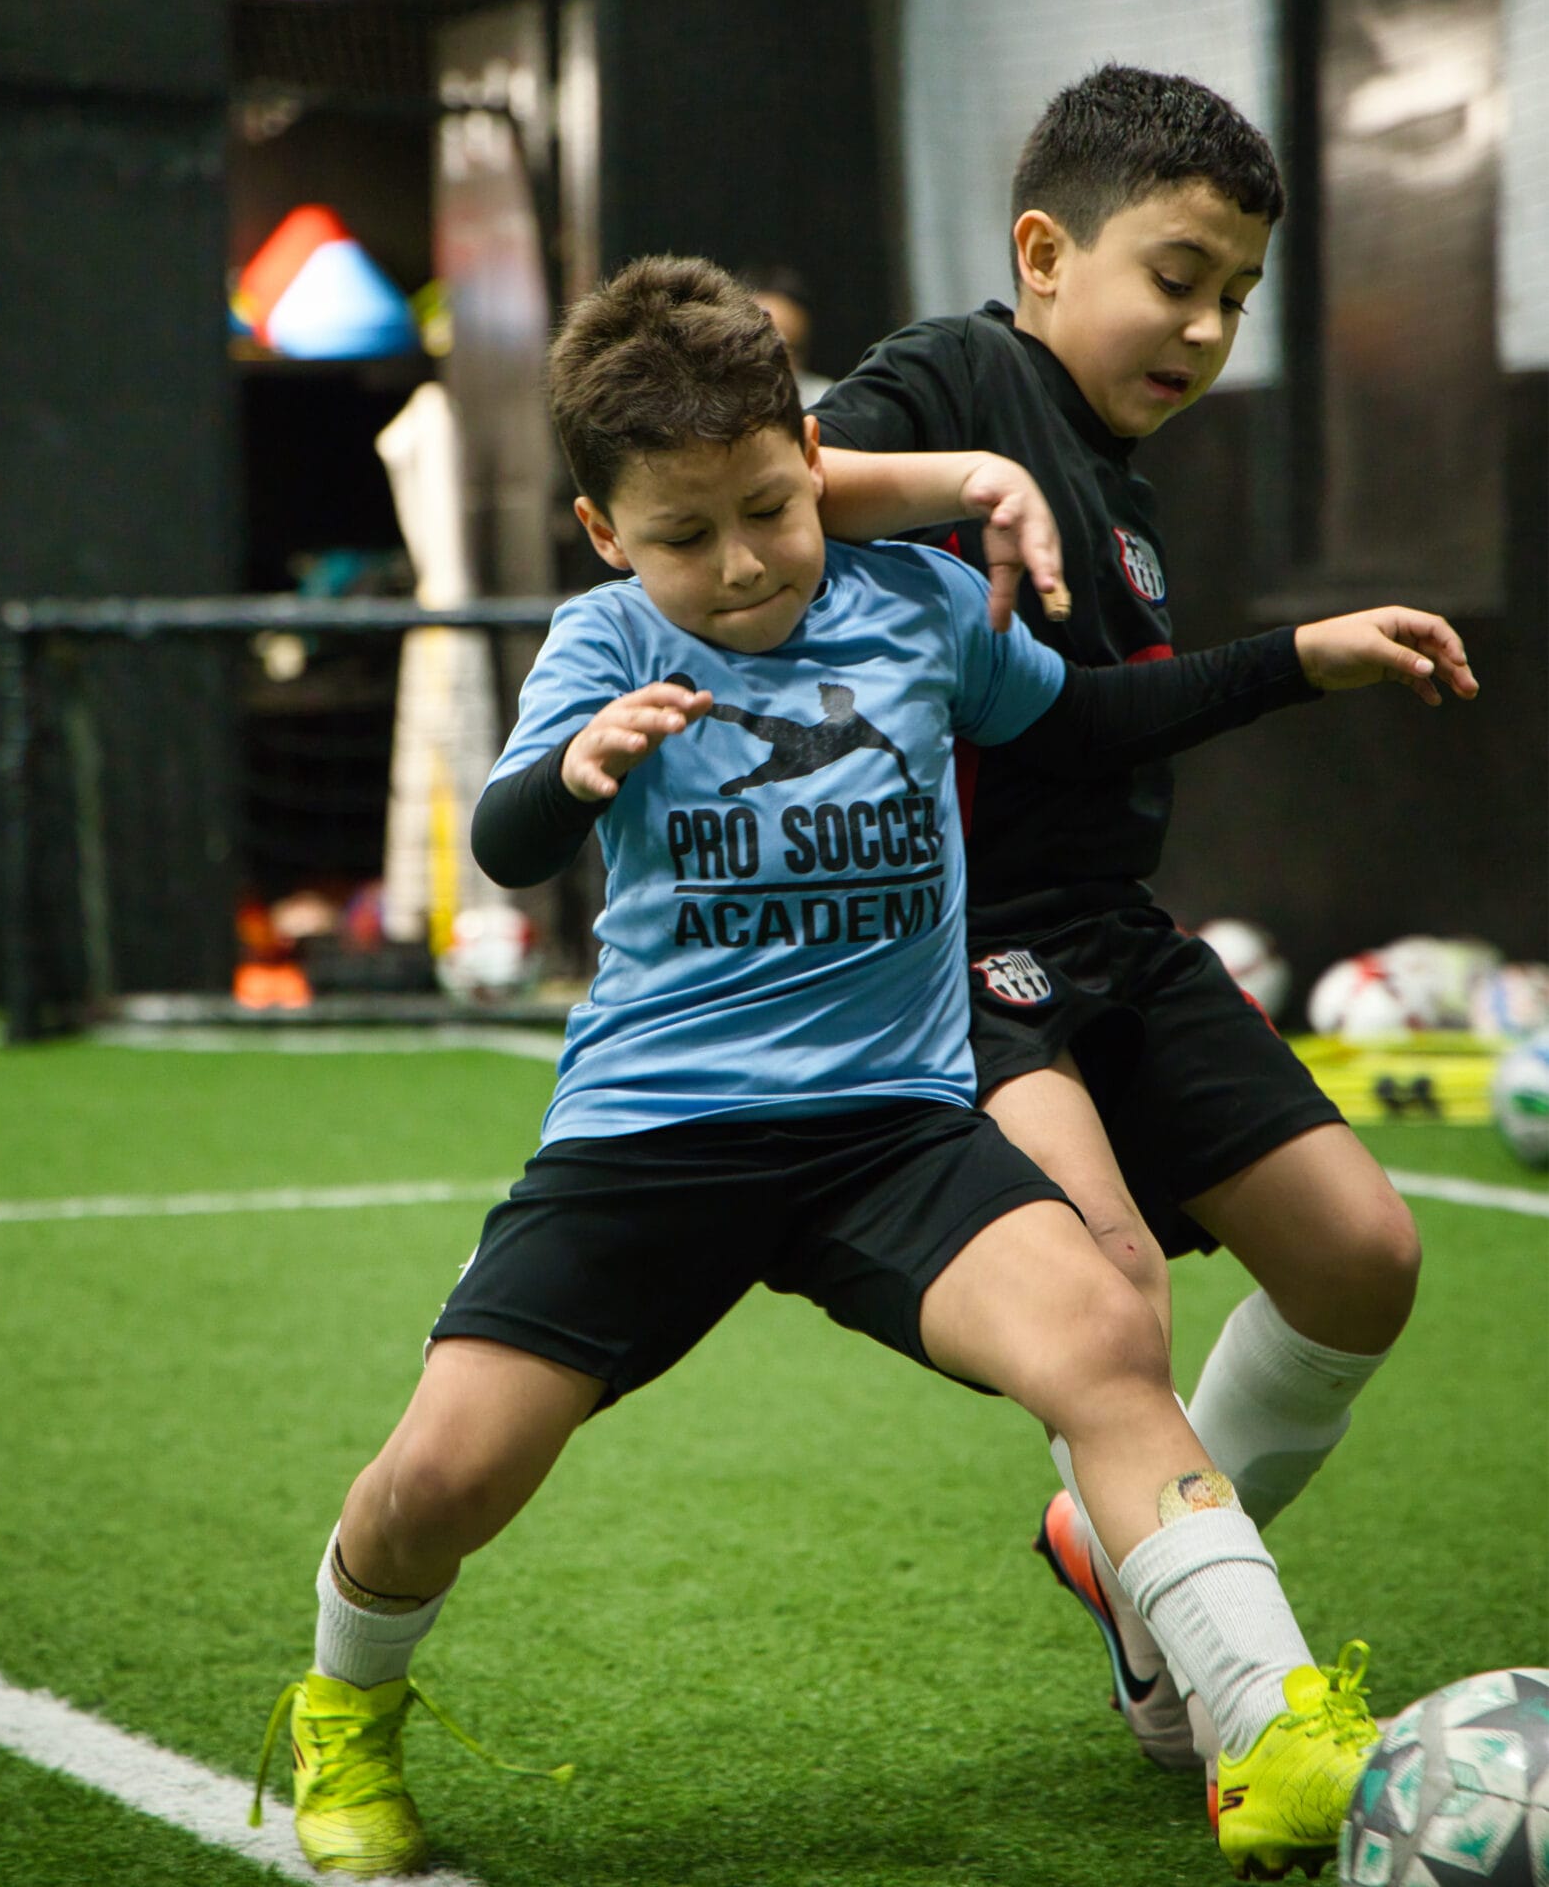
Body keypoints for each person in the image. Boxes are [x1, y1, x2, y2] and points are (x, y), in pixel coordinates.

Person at [253, 254, 1465, 1882]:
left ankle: (1268, 1733)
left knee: (1106, 1333)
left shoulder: (912, 608)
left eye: (771, 507)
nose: (743, 564)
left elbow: (1089, 724)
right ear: (609, 534)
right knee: (439, 1482)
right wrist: (577, 768)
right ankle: (344, 1707)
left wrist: (1296, 659)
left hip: (891, 1131)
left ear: (813, 467)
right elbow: (505, 834)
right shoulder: (603, 640)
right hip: (656, 1136)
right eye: (684, 536)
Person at [813, 63, 1480, 1774]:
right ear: (1044, 251)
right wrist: (966, 475)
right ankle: (1220, 1695)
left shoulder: (1123, 484)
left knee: (1361, 1257)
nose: (1204, 328)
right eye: (1174, 277)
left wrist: (1295, 659)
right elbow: (776, 483)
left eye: (1236, 299)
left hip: (1112, 925)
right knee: (1111, 1295)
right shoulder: (958, 377)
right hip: (959, 948)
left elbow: (1078, 716)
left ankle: (1117, 1553)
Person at [741, 261, 832, 405]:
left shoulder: (825, 400)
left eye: (795, 350)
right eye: (767, 348)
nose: (784, 366)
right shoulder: (707, 406)